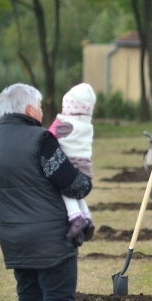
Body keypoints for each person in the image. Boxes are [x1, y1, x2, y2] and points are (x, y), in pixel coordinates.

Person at [0, 84, 93, 301]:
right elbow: (75, 186)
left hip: (13, 238)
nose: (43, 111)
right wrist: (84, 177)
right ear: (29, 109)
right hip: (50, 239)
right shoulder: (41, 140)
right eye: (40, 105)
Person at [47, 83, 97, 241]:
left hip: (72, 168)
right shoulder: (85, 125)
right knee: (78, 195)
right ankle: (87, 218)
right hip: (85, 169)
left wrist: (58, 120)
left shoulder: (66, 125)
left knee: (66, 191)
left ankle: (76, 218)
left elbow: (49, 137)